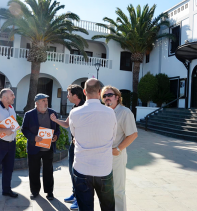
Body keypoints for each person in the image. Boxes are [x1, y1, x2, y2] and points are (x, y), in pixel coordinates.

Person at [69, 78, 117, 211]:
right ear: (100, 92)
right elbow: (113, 136)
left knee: (85, 208)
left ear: (84, 92)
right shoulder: (110, 112)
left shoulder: (74, 113)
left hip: (82, 168)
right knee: (108, 208)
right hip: (104, 168)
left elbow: (74, 134)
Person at [101, 86, 138, 211]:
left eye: (109, 95)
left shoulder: (125, 112)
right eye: (104, 96)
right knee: (105, 190)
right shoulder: (103, 111)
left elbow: (133, 134)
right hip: (102, 156)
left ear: (117, 97)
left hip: (116, 155)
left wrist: (118, 149)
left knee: (117, 190)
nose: (107, 98)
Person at [50, 84, 84, 210]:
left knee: (79, 173)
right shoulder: (74, 108)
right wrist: (55, 120)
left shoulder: (84, 108)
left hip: (81, 146)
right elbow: (66, 124)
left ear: (75, 95)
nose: (67, 96)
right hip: (73, 145)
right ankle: (75, 194)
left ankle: (79, 199)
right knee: (72, 171)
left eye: (69, 94)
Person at [21, 93, 60, 200]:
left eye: (46, 100)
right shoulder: (29, 114)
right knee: (34, 171)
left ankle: (49, 192)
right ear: (37, 103)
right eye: (43, 100)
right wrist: (33, 137)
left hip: (48, 148)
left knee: (48, 171)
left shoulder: (52, 113)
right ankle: (34, 191)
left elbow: (57, 129)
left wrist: (56, 136)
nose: (46, 102)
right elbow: (24, 129)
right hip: (34, 148)